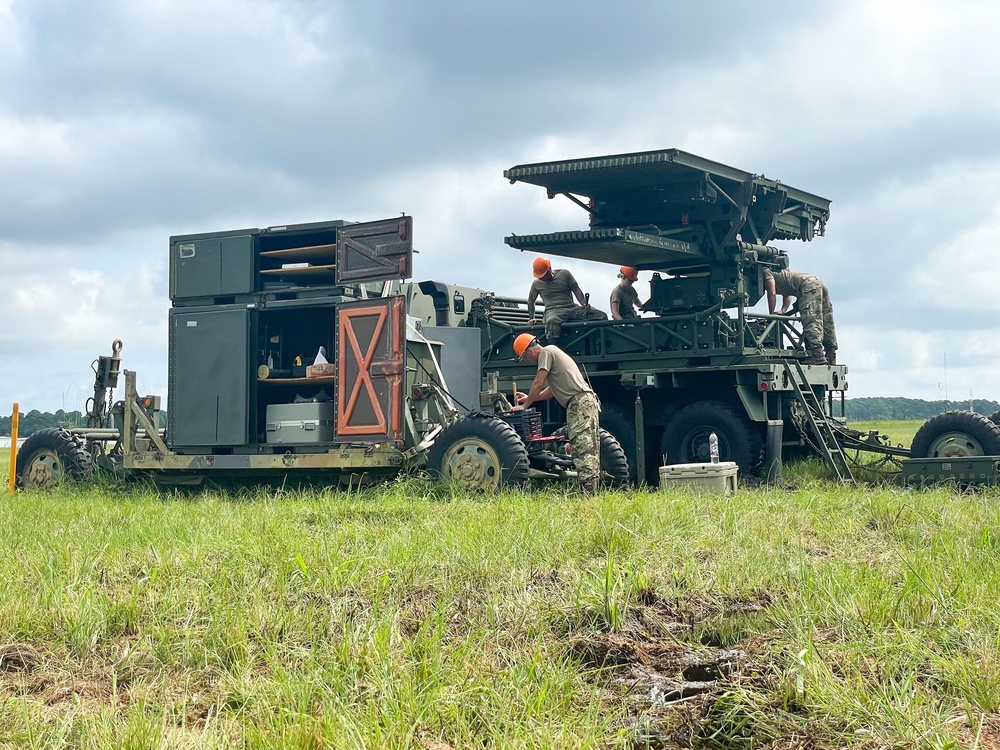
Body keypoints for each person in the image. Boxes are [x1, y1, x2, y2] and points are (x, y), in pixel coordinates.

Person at [510, 333, 601, 493]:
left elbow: (539, 382)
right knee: (589, 446)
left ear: (529, 352)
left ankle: (588, 494)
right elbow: (552, 390)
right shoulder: (554, 354)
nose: (526, 362)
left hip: (578, 403)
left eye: (524, 358)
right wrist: (528, 399)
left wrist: (524, 407)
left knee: (582, 446)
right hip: (585, 401)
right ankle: (592, 488)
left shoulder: (546, 352)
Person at [763, 267, 837, 365]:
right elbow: (787, 293)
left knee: (811, 319)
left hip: (808, 285)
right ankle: (831, 355)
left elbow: (772, 292)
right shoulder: (782, 272)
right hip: (817, 281)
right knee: (826, 319)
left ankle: (818, 355)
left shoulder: (766, 272)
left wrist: (771, 314)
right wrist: (783, 310)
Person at [526, 257, 607, 347]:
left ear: (549, 269)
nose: (542, 278)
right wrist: (531, 318)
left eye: (543, 275)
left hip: (572, 308)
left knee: (600, 315)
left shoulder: (564, 274)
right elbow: (531, 301)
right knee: (552, 321)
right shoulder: (536, 284)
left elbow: (576, 290)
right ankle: (554, 351)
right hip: (553, 311)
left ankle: (602, 344)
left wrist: (584, 305)